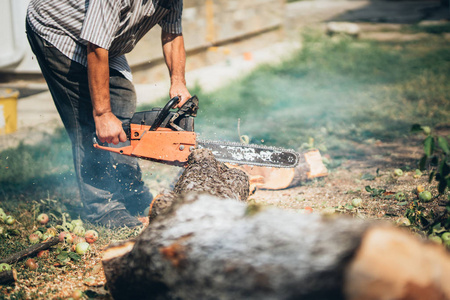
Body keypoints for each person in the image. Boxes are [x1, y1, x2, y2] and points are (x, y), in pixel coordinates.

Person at [25, 0, 191, 228]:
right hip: (59, 30)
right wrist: (102, 114)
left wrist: (178, 82)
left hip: (104, 42)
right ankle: (103, 209)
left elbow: (173, 34)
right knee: (87, 120)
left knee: (122, 97)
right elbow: (95, 47)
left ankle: (129, 190)